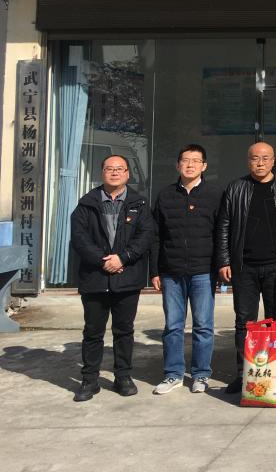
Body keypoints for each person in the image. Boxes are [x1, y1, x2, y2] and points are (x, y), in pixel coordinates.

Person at [70, 155, 155, 402]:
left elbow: (146, 236)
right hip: (95, 278)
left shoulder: (139, 203)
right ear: (102, 172)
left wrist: (123, 258)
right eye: (110, 168)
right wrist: (103, 261)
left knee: (124, 330)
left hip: (127, 277)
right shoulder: (87, 203)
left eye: (120, 169)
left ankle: (123, 377)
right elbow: (80, 238)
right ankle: (89, 380)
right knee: (93, 332)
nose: (115, 172)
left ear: (128, 173)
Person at [216, 142, 276, 394]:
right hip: (244, 267)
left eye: (265, 158)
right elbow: (224, 225)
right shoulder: (236, 187)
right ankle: (244, 373)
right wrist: (224, 260)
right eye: (255, 158)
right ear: (248, 160)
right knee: (244, 322)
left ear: (274, 161)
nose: (260, 163)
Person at [150, 144, 222, 395]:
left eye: (196, 161)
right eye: (185, 160)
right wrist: (155, 270)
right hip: (171, 271)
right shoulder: (165, 195)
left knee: (203, 325)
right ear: (178, 164)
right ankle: (173, 374)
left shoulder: (215, 195)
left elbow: (221, 233)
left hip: (203, 270)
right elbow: (156, 236)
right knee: (173, 325)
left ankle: (201, 374)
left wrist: (220, 266)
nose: (190, 165)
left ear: (204, 166)